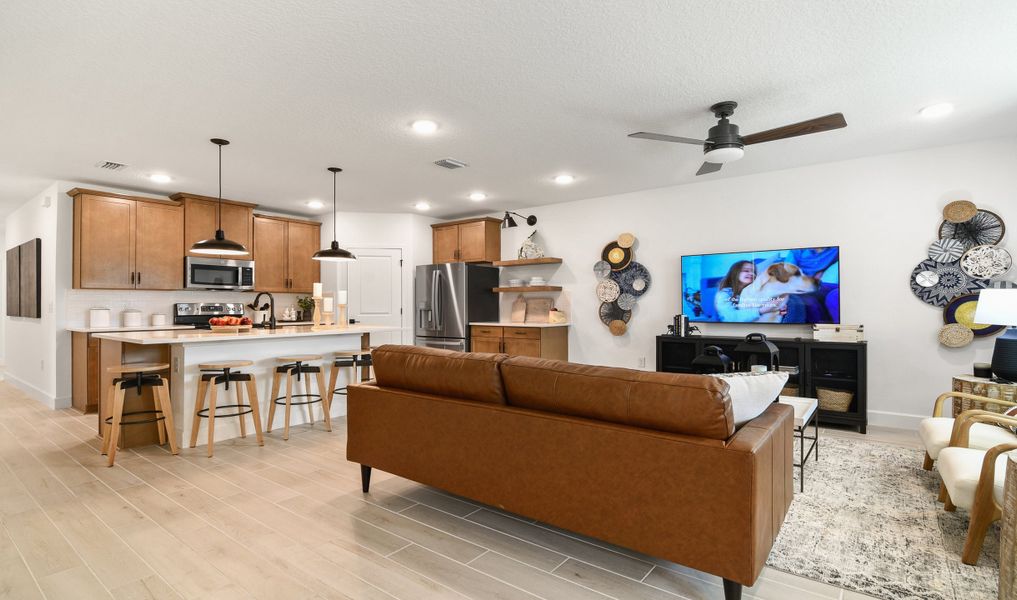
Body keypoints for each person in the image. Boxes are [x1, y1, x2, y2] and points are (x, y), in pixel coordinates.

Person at [713, 260, 787, 322]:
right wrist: (762, 310)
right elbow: (730, 318)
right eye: (746, 270)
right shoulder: (724, 294)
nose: (751, 274)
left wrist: (778, 309)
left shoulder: (754, 292)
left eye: (754, 272)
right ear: (735, 273)